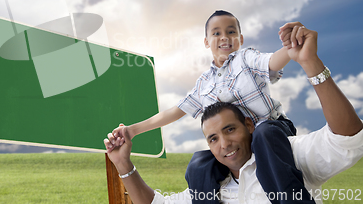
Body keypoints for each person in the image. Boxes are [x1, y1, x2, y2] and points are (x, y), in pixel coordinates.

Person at [104, 22, 363, 204]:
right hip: (244, 145)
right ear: (207, 42)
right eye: (213, 138)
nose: (224, 143)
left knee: (265, 134)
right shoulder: (204, 84)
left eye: (230, 130)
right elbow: (175, 112)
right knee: (198, 163)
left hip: (272, 133)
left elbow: (347, 139)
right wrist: (125, 155)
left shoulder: (287, 155)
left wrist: (305, 58)